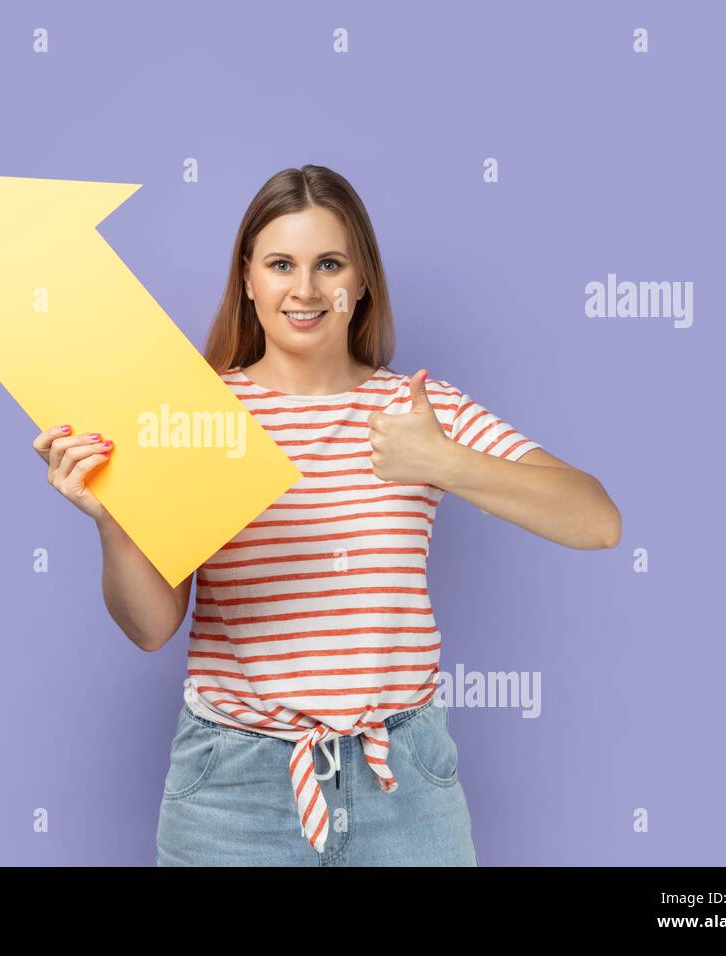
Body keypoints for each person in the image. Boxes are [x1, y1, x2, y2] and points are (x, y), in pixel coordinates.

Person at [31, 165, 621, 866]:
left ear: (362, 280)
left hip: (404, 783)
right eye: (281, 264)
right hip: (233, 792)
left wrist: (443, 461)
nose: (305, 290)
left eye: (329, 264)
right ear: (248, 278)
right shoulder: (194, 418)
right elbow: (152, 627)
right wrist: (115, 522)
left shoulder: (418, 412)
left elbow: (597, 522)